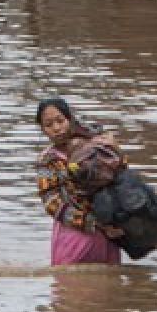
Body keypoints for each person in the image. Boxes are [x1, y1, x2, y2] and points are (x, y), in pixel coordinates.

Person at [36, 98, 124, 266]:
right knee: (71, 287)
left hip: (109, 232)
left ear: (70, 119)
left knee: (109, 286)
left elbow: (122, 175)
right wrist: (93, 223)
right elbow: (52, 203)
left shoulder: (96, 146)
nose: (56, 128)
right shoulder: (47, 160)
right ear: (43, 129)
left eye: (60, 121)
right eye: (49, 125)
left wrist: (116, 149)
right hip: (74, 233)